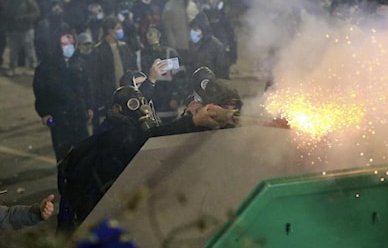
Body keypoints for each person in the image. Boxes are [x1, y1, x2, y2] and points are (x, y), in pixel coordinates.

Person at [56, 84, 237, 235]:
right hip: (99, 212)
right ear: (116, 109)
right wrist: (192, 122)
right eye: (134, 104)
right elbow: (149, 139)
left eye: (142, 103)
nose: (142, 108)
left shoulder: (119, 131)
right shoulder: (116, 136)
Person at [33, 33, 93, 162]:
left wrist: (89, 107)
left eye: (71, 44)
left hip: (78, 115)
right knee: (63, 158)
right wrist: (44, 113)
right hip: (59, 117)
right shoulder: (47, 66)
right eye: (65, 44)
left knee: (85, 154)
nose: (68, 47)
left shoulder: (80, 63)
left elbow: (87, 87)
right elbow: (41, 91)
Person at [90, 16, 137, 132]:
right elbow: (95, 78)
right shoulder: (98, 51)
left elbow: (131, 68)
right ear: (110, 31)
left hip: (126, 94)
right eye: (118, 28)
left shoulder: (124, 47)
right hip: (109, 96)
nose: (121, 30)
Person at [180, 12, 229, 79]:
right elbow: (187, 63)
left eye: (196, 29)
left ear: (203, 30)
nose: (193, 32)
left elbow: (222, 70)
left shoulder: (216, 46)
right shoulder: (193, 45)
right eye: (192, 29)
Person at [4, 0, 40, 76]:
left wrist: (24, 19)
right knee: (13, 51)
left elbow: (36, 13)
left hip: (26, 30)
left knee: (29, 50)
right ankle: (12, 68)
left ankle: (33, 67)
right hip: (13, 29)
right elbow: (6, 11)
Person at [202, 0, 238, 77]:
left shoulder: (224, 16)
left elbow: (231, 36)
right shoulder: (203, 16)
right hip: (209, 55)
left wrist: (233, 54)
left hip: (223, 53)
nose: (212, 1)